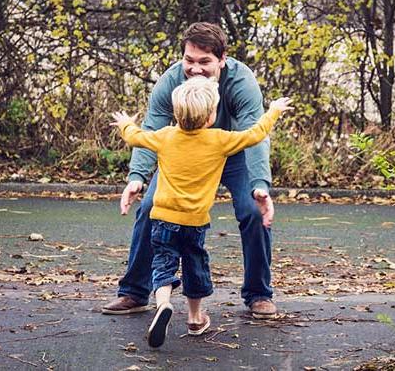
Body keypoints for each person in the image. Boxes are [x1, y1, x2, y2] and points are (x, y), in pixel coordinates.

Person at [102, 22, 281, 319]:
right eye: (189, 60)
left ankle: (258, 294)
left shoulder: (241, 82)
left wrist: (260, 184)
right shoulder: (170, 81)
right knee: (149, 208)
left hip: (233, 151)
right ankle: (134, 291)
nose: (195, 68)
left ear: (222, 60)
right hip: (184, 152)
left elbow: (254, 132)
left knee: (252, 211)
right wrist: (137, 177)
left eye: (204, 61)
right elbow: (151, 129)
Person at [110, 76, 293, 347]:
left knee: (163, 264)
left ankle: (162, 304)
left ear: (176, 114)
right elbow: (255, 134)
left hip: (162, 219)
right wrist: (274, 111)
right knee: (195, 266)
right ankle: (195, 318)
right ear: (210, 117)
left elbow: (135, 137)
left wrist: (124, 122)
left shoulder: (165, 136)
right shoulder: (219, 140)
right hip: (194, 222)